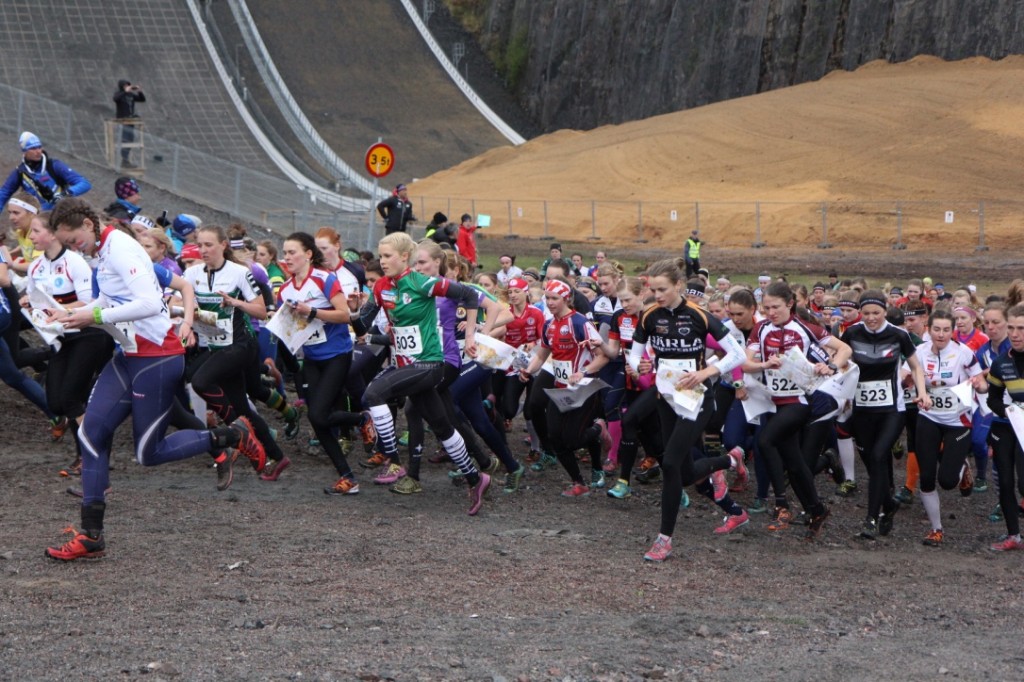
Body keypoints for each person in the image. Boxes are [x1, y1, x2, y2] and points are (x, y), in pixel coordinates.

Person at [43, 199, 267, 561]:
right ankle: (91, 535)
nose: (73, 249)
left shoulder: (121, 250)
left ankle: (231, 435)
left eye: (74, 241)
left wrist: (94, 314)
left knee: (148, 454)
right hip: (128, 354)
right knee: (90, 434)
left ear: (88, 223)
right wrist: (69, 312)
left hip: (157, 358)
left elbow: (147, 303)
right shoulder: (101, 250)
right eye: (68, 245)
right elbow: (108, 299)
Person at [354, 232, 491, 513]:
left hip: (429, 364)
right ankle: (476, 478)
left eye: (388, 256)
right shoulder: (381, 286)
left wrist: (470, 337)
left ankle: (392, 458)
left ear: (405, 257)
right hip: (407, 365)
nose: (383, 261)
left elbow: (468, 294)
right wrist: (356, 314)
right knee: (441, 426)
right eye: (380, 256)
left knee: (374, 393)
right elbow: (364, 325)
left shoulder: (423, 283)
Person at [630, 260, 747, 562]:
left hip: (697, 398)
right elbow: (634, 354)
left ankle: (664, 539)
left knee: (669, 465)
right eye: (652, 289)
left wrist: (706, 372)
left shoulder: (699, 316)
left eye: (662, 290)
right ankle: (729, 460)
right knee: (681, 474)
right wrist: (640, 366)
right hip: (666, 397)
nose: (657, 295)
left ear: (678, 286)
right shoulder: (648, 316)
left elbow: (737, 353)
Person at [22, 213, 116, 474]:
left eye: (35, 231)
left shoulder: (74, 262)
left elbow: (89, 301)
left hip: (89, 335)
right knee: (55, 403)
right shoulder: (35, 266)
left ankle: (92, 455)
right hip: (61, 338)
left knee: (72, 399)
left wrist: (59, 310)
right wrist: (29, 305)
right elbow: (35, 301)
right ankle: (93, 447)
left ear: (52, 233)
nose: (30, 237)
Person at [275, 231, 367, 494]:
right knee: (319, 420)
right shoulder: (285, 289)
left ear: (307, 254)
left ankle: (360, 419)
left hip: (337, 354)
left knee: (318, 414)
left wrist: (312, 311)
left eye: (292, 252)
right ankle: (347, 477)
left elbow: (345, 315)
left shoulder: (324, 279)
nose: (287, 257)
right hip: (312, 357)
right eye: (285, 252)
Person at [841, 290, 929, 540]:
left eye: (876, 313)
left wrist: (921, 392)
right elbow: (841, 360)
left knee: (880, 456)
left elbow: (915, 366)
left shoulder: (898, 334)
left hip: (892, 409)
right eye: (866, 313)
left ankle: (871, 518)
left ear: (885, 311)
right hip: (862, 409)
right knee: (872, 464)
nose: (871, 318)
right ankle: (889, 505)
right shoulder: (852, 332)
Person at [912, 309, 985, 546]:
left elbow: (981, 385)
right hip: (929, 417)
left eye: (946, 330)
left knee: (946, 480)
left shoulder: (963, 353)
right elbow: (905, 374)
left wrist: (979, 384)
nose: (941, 334)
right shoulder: (920, 352)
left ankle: (962, 468)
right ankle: (936, 529)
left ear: (952, 331)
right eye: (936, 329)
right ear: (929, 329)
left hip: (957, 420)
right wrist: (909, 379)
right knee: (927, 477)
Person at [984, 303, 1024, 551]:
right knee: (1006, 483)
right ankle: (1014, 536)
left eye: (1021, 328)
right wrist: (1010, 412)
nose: (1015, 334)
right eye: (1011, 328)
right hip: (1006, 428)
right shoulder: (1000, 363)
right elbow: (992, 399)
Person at [0, 132, 92, 212]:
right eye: (33, 148)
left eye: (39, 147)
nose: (38, 151)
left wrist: (65, 194)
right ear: (24, 152)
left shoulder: (54, 165)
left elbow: (85, 183)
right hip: (37, 219)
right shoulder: (20, 172)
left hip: (60, 214)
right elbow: (3, 193)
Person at [113, 79, 145, 167]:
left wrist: (139, 91)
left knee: (131, 138)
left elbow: (142, 99)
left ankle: (125, 160)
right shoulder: (119, 94)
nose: (127, 87)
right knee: (125, 139)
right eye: (125, 86)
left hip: (130, 120)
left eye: (128, 85)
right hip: (122, 120)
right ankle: (124, 160)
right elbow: (115, 99)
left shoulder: (131, 95)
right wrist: (124, 92)